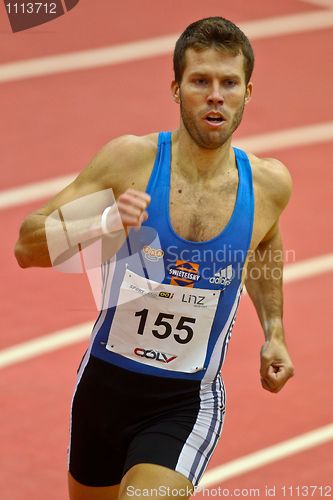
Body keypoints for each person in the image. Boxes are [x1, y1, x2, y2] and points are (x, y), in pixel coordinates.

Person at [15, 16, 294, 500]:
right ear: (175, 88)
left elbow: (265, 244)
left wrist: (275, 333)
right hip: (104, 389)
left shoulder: (268, 185)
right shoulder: (131, 163)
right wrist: (102, 226)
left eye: (229, 83)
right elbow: (28, 247)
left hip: (185, 403)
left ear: (248, 92)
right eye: (200, 81)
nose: (215, 95)